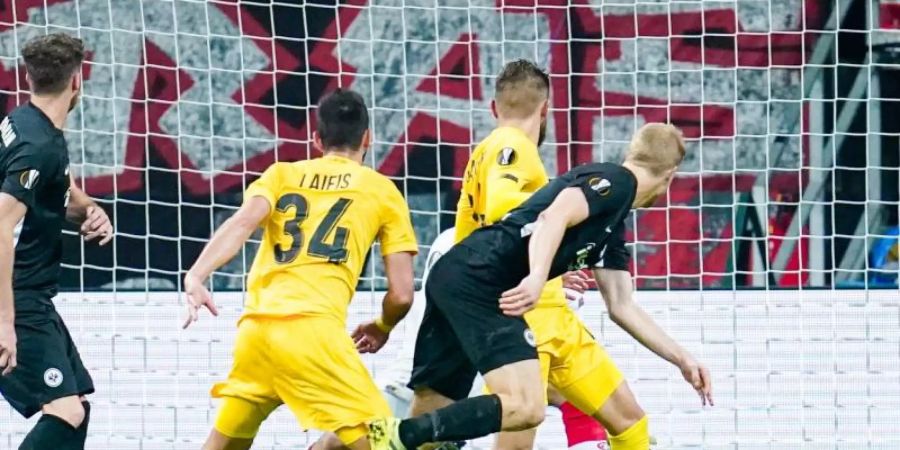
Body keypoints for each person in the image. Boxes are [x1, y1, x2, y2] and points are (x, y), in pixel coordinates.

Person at [369, 123, 713, 450]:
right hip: (479, 279)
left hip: (460, 277)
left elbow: (622, 307)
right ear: (669, 177)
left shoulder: (611, 225)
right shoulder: (617, 181)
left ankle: (387, 437)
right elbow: (554, 216)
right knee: (525, 407)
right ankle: (400, 434)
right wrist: (537, 276)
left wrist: (683, 359)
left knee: (435, 413)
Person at [181, 89, 419, 450]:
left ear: (317, 139)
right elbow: (402, 295)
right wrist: (382, 326)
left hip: (257, 334)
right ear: (368, 138)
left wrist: (196, 275)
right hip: (314, 334)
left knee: (222, 445)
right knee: (380, 441)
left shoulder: (280, 175)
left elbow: (243, 222)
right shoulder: (383, 191)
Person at [0, 33, 114, 450]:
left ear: (29, 78)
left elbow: (54, 187)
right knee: (65, 411)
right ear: (77, 81)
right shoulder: (39, 146)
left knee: (77, 406)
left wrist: (88, 208)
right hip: (16, 299)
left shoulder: (24, 122)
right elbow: (1, 229)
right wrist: (4, 323)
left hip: (32, 298)